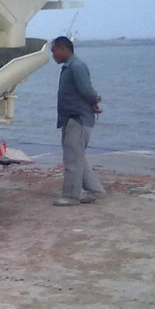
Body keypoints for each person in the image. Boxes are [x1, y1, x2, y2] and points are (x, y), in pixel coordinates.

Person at [50, 36, 106, 206]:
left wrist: (94, 100)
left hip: (77, 119)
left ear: (64, 49)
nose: (53, 55)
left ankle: (70, 196)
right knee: (78, 157)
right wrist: (92, 102)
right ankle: (95, 190)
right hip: (71, 119)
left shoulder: (76, 66)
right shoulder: (70, 67)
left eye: (54, 51)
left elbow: (87, 90)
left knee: (72, 160)